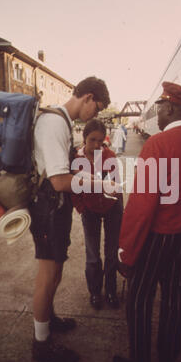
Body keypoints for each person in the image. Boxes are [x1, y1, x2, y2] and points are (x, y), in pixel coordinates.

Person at [113, 82, 181, 362]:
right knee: (173, 296)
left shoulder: (158, 144)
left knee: (140, 298)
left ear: (172, 108)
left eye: (162, 107)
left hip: (157, 235)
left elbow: (142, 204)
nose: (158, 114)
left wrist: (126, 249)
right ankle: (168, 360)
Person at [29, 76, 110, 362]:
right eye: (97, 108)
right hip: (48, 207)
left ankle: (47, 319)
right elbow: (61, 180)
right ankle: (41, 343)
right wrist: (95, 184)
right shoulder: (54, 124)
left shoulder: (63, 121)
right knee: (47, 275)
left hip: (56, 208)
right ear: (87, 97)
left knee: (57, 271)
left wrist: (92, 179)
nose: (96, 115)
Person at [71, 119, 123, 310]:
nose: (96, 145)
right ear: (84, 137)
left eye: (100, 141)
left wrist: (117, 201)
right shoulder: (77, 159)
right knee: (92, 254)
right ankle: (95, 292)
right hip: (90, 209)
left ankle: (110, 290)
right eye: (92, 140)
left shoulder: (109, 155)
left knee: (111, 252)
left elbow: (116, 185)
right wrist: (81, 208)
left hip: (111, 208)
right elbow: (73, 188)